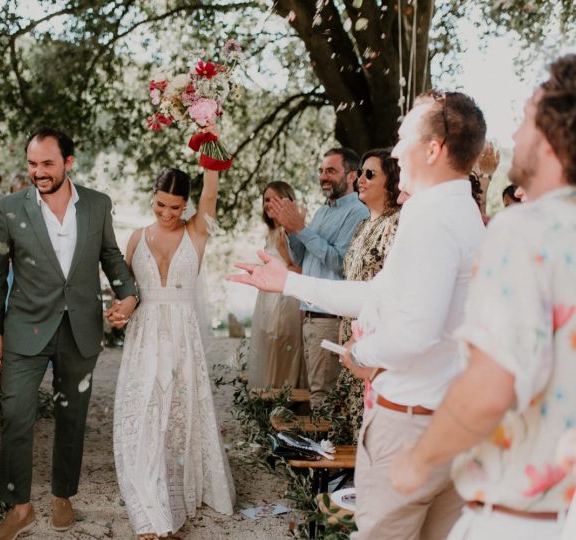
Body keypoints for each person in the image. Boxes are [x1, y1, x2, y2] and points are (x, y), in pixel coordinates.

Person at [228, 90, 488, 540]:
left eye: (404, 136)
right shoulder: (458, 209)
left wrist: (361, 351)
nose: (397, 149)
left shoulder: (429, 219)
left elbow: (413, 333)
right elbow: (376, 294)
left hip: (409, 424)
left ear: (433, 149)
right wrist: (288, 283)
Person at [390, 54, 576, 540]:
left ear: (555, 136)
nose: (513, 135)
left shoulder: (527, 232)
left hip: (525, 517)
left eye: (525, 120)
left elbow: (491, 388)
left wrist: (419, 458)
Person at [0, 127, 138, 539]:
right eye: (32, 164)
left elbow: (111, 256)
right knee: (16, 415)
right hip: (24, 330)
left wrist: (129, 296)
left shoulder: (96, 205)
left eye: (47, 163)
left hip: (80, 330)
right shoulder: (11, 207)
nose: (39, 172)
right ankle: (19, 508)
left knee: (73, 417)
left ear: (69, 162)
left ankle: (62, 495)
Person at [113, 128, 236, 539]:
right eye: (161, 204)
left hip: (182, 335)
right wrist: (118, 312)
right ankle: (150, 500)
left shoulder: (196, 232)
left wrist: (209, 132)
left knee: (179, 415)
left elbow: (211, 194)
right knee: (146, 411)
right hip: (146, 335)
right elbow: (128, 292)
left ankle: (178, 485)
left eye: (176, 206)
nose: (168, 213)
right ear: (153, 197)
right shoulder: (135, 238)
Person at [268, 148, 369, 408]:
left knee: (322, 398)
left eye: (331, 170)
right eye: (321, 171)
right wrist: (291, 230)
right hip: (310, 315)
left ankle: (324, 449)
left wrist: (302, 228)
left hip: (329, 317)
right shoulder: (322, 212)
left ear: (352, 176)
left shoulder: (357, 212)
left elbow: (341, 262)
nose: (323, 176)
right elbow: (301, 259)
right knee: (318, 391)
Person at [317, 148, 401, 445]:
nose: (361, 180)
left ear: (391, 181)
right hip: (349, 332)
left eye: (370, 174)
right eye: (361, 173)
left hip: (376, 336)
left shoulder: (397, 225)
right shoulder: (363, 226)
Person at [246, 181, 304, 389]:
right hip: (269, 300)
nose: (269, 204)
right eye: (266, 200)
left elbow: (298, 269)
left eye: (275, 199)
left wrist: (269, 273)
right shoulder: (274, 232)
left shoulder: (284, 234)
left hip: (284, 300)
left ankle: (281, 395)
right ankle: (272, 393)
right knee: (270, 347)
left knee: (281, 347)